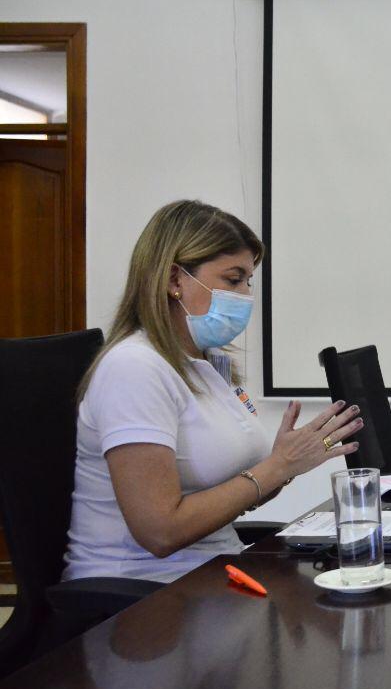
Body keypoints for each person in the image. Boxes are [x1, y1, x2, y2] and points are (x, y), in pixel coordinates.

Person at [64, 200, 363, 583]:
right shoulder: (133, 369)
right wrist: (279, 465)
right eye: (233, 280)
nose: (246, 295)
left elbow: (238, 491)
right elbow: (159, 532)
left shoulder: (208, 363)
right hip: (142, 591)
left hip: (212, 570)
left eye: (248, 281)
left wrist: (288, 464)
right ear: (175, 280)